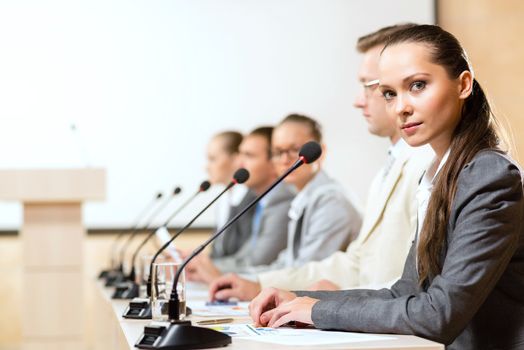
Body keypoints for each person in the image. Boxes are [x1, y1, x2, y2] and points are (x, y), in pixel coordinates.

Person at [249, 25, 524, 350]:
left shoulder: (488, 174)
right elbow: (405, 291)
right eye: (390, 93)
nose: (400, 107)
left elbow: (439, 313)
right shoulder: (438, 173)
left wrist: (320, 311)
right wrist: (301, 299)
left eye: (418, 86)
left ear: (463, 84)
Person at [208, 24, 432, 301]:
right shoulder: (387, 170)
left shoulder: (429, 164)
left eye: (370, 86)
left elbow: (420, 285)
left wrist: (332, 301)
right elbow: (357, 262)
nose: (358, 101)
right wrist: (262, 283)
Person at [207, 114, 362, 294]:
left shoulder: (331, 202)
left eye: (295, 150)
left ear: (321, 152)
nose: (285, 160)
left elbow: (308, 271)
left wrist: (255, 285)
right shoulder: (304, 196)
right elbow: (285, 264)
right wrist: (245, 280)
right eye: (278, 152)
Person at [185, 127, 295, 283]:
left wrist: (210, 269)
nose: (239, 163)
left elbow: (258, 260)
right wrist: (201, 264)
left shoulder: (282, 200)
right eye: (240, 154)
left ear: (273, 163)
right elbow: (245, 255)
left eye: (249, 155)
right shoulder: (263, 200)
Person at [205, 130, 252, 259]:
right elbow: (218, 250)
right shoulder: (224, 199)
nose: (206, 167)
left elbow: (246, 256)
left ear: (236, 159)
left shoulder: (251, 199)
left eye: (212, 159)